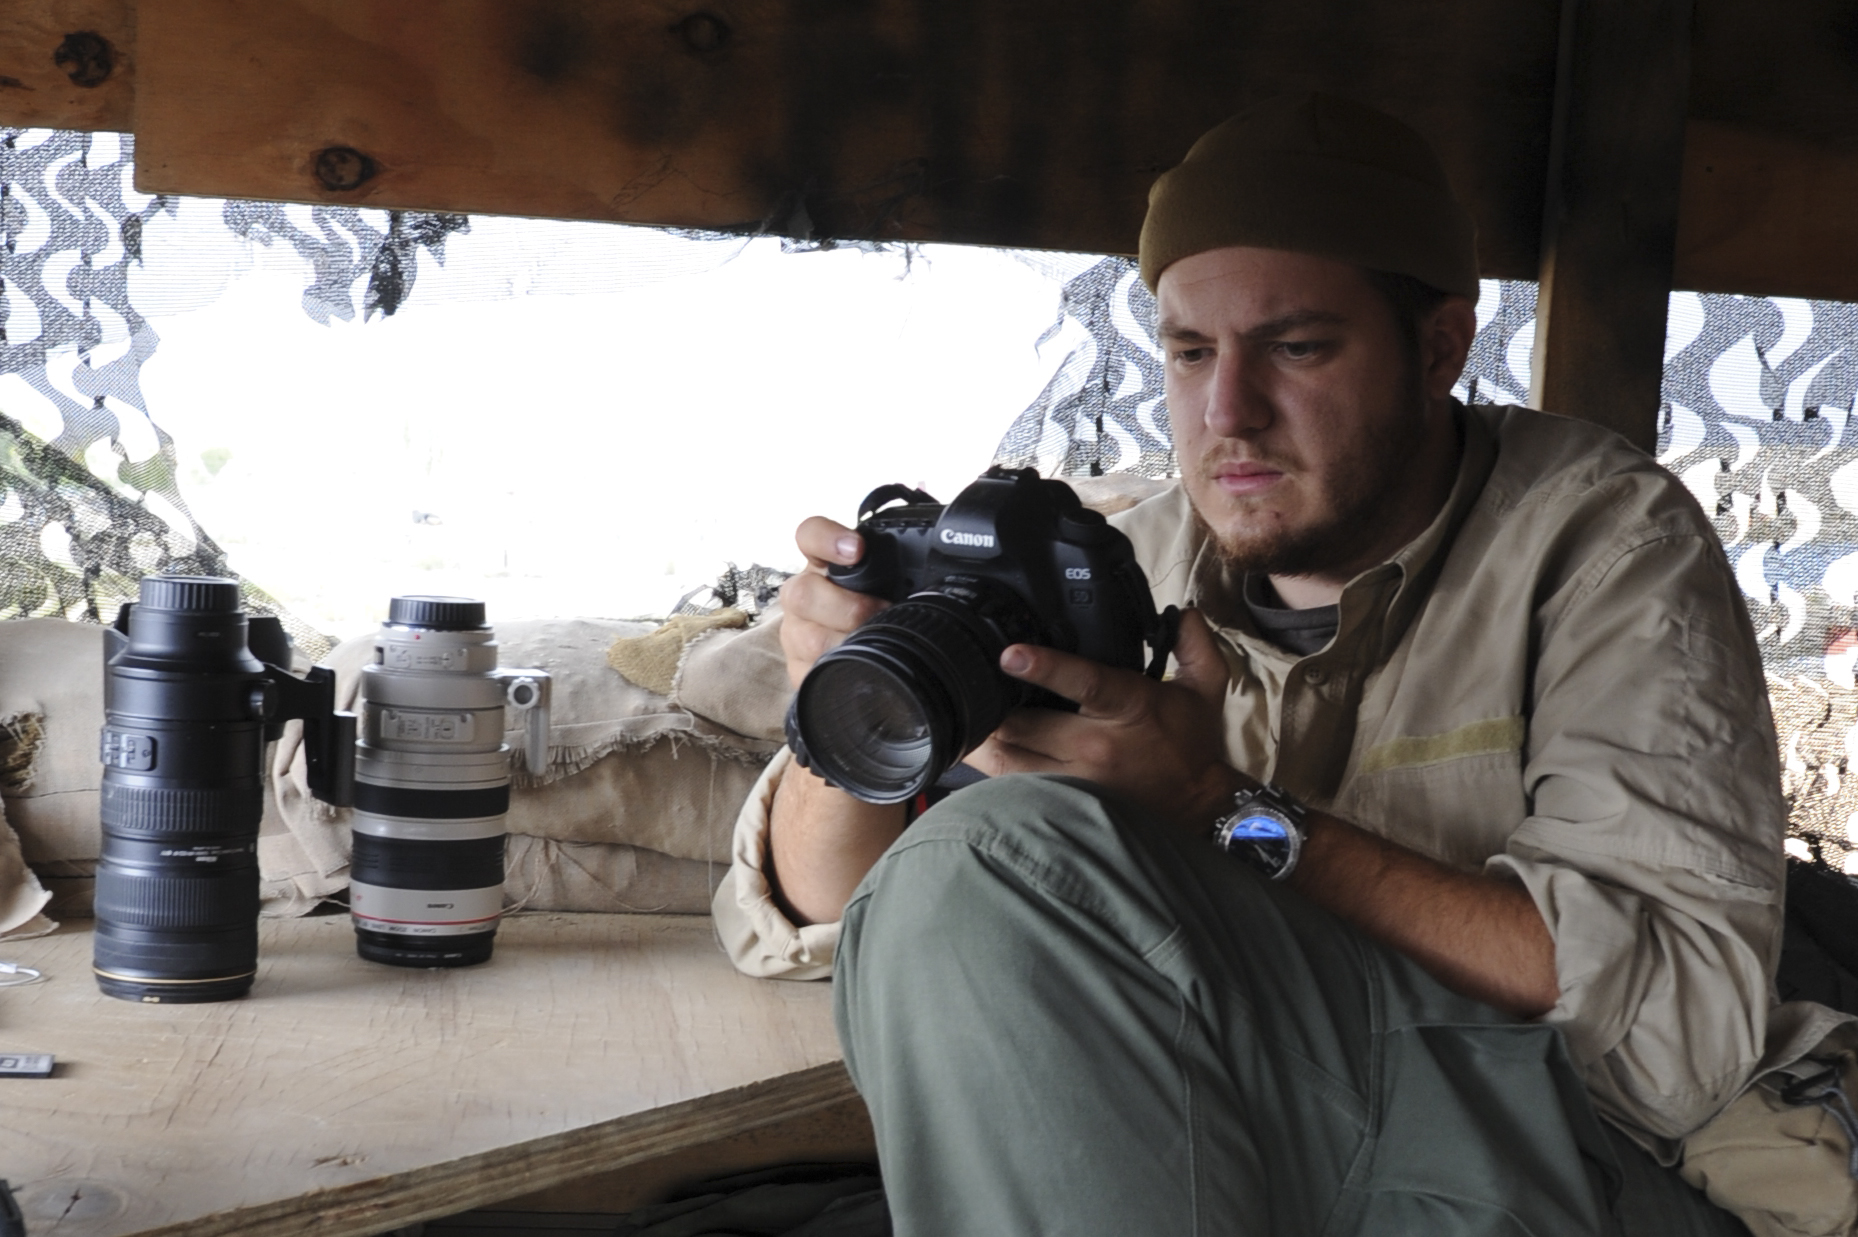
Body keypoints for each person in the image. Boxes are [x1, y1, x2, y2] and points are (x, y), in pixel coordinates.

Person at [712, 94, 1851, 1235]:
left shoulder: (1596, 541)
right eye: (1190, 352)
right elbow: (826, 913)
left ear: (1441, 345)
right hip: (1238, 1106)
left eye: (1296, 348)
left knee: (995, 855)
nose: (1227, 413)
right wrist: (863, 688)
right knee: (965, 868)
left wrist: (1219, 810)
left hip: (1559, 1149)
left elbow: (1664, 1040)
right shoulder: (1127, 563)